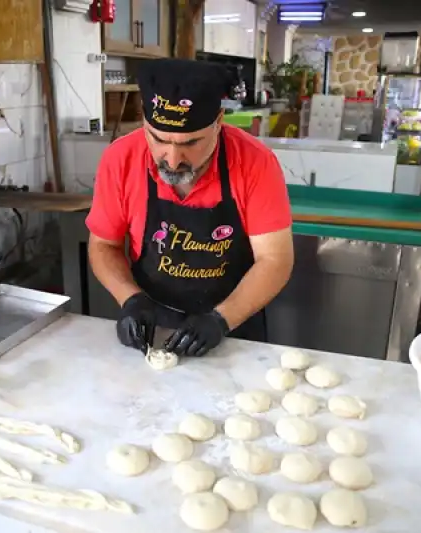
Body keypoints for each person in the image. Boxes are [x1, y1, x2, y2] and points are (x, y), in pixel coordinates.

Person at [86, 58, 293, 357]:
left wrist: (221, 319)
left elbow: (275, 259)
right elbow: (104, 245)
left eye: (190, 143)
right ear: (144, 121)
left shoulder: (255, 163)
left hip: (234, 325)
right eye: (159, 140)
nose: (172, 160)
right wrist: (130, 299)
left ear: (219, 122)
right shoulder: (120, 159)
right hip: (154, 324)